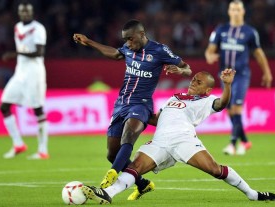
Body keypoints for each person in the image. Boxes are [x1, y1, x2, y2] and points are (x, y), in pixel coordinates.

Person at [80, 69, 275, 204]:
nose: (193, 82)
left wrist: (227, 85)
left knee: (215, 170)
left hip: (184, 140)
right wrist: (135, 113)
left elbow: (222, 104)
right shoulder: (175, 97)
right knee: (135, 168)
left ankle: (252, 194)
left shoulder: (207, 100)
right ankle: (107, 194)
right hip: (160, 141)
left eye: (198, 82)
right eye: (193, 79)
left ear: (207, 89)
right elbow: (158, 119)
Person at [73, 19, 192, 200]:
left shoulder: (159, 50)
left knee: (129, 133)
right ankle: (143, 184)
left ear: (142, 35)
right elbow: (115, 54)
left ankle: (112, 174)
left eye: (130, 39)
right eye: (125, 40)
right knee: (112, 153)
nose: (128, 43)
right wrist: (88, 41)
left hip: (141, 104)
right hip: (121, 104)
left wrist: (180, 71)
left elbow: (187, 69)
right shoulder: (128, 49)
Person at [205, 0, 273, 155]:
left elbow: (259, 54)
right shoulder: (220, 30)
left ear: (243, 12)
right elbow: (210, 49)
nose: (235, 12)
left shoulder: (250, 32)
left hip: (241, 75)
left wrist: (267, 72)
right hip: (224, 76)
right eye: (233, 9)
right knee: (229, 110)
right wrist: (210, 56)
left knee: (236, 107)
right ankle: (245, 141)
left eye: (238, 9)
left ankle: (232, 144)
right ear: (229, 12)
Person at [0, 2, 49, 160]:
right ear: (19, 13)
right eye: (22, 12)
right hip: (20, 73)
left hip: (34, 73)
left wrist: (15, 54)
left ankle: (42, 150)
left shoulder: (38, 28)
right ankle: (18, 144)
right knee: (4, 106)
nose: (25, 14)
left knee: (37, 109)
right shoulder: (17, 27)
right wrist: (18, 55)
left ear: (32, 12)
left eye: (28, 12)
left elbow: (39, 52)